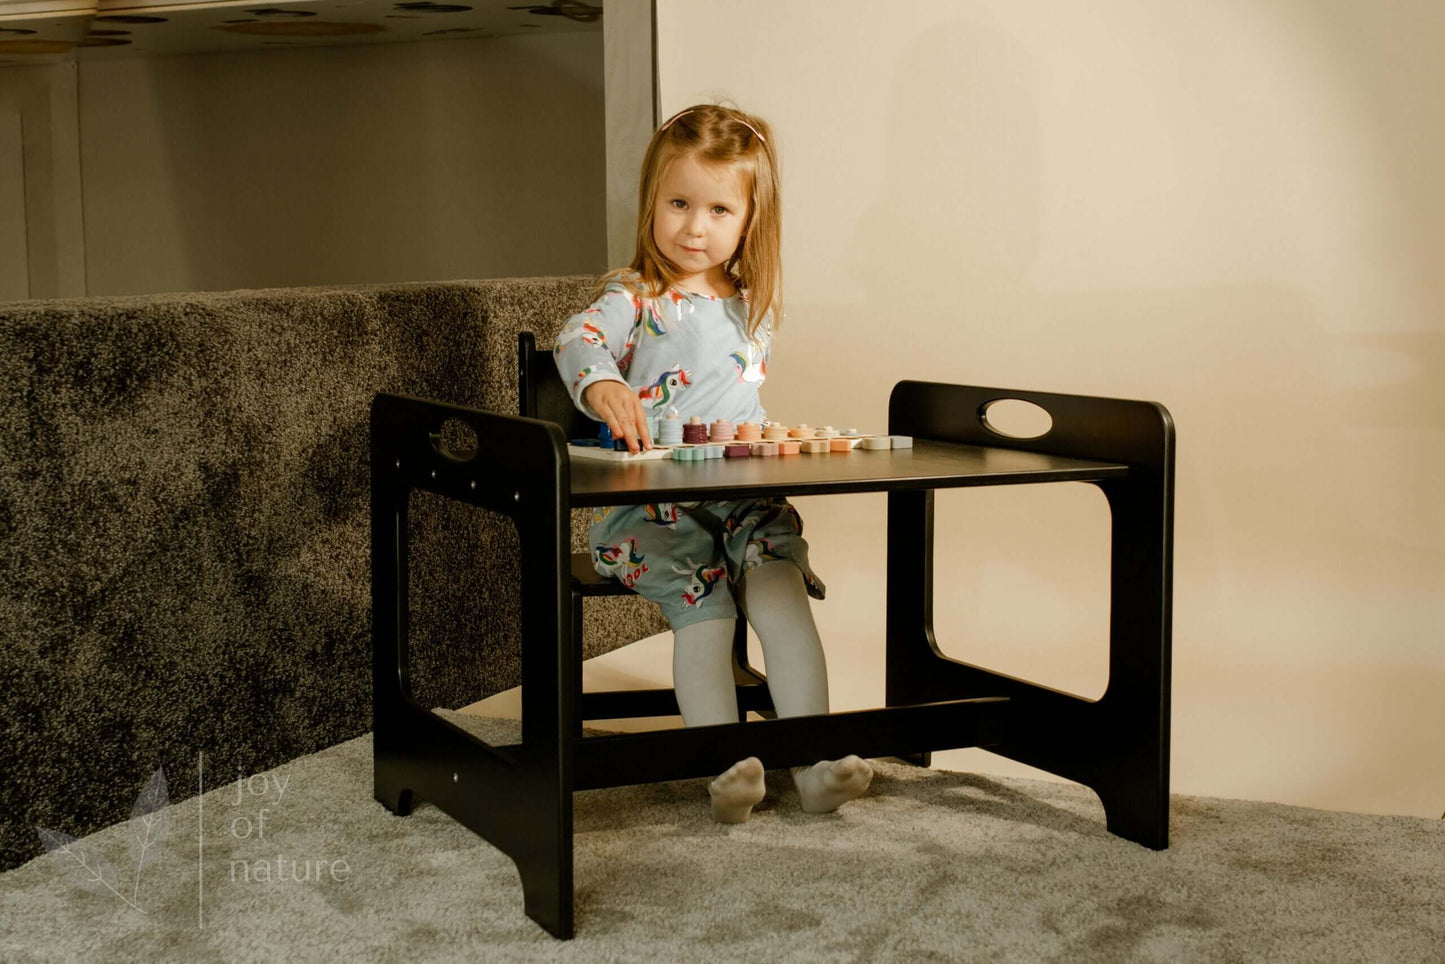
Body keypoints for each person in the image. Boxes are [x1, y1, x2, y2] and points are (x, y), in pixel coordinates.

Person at [553, 103, 872, 824]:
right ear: (651, 203)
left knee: (781, 593)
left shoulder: (753, 305)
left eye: (718, 209)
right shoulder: (633, 296)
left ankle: (814, 764)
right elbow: (578, 340)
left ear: (749, 220)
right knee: (703, 605)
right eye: (677, 203)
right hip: (647, 509)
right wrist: (601, 382)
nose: (694, 227)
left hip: (742, 497)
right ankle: (724, 769)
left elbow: (738, 405)